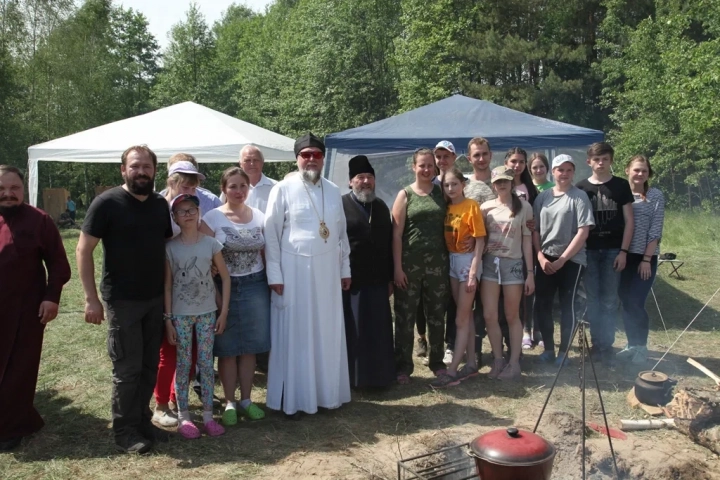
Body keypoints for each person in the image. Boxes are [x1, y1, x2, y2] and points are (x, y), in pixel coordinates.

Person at [77, 145, 173, 454]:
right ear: (123, 170)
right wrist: (91, 299)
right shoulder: (107, 203)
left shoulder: (160, 204)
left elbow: (170, 247)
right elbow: (83, 249)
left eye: (146, 166)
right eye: (135, 166)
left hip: (155, 298)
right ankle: (125, 431)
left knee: (148, 366)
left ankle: (143, 422)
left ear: (154, 171)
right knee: (127, 370)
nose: (141, 171)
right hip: (122, 301)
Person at [264, 133, 352, 418]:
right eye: (306, 155)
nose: (311, 159)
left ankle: (327, 395)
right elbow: (271, 234)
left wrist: (345, 269)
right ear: (297, 158)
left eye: (316, 154)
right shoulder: (282, 188)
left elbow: (340, 235)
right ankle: (295, 399)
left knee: (326, 331)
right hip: (293, 273)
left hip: (327, 273)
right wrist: (274, 274)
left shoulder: (333, 189)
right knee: (296, 334)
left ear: (323, 158)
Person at [0, 165, 71, 452]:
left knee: (19, 370)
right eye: (2, 189)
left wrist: (51, 297)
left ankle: (12, 426)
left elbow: (58, 265)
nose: (7, 194)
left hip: (25, 311)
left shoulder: (39, 220)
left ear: (23, 189)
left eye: (14, 188)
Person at [154, 154, 222, 427]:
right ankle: (160, 403)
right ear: (172, 182)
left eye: (193, 186)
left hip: (196, 292)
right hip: (166, 287)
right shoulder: (159, 205)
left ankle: (175, 398)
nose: (190, 191)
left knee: (193, 351)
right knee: (169, 350)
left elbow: (211, 240)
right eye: (185, 185)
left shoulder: (193, 206)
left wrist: (209, 262)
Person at [201, 167, 271, 423]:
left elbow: (267, 252)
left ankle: (247, 400)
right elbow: (201, 253)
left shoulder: (260, 216)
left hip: (256, 286)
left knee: (250, 347)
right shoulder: (212, 218)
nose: (238, 191)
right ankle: (230, 402)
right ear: (224, 188)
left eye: (243, 186)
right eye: (233, 186)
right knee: (228, 348)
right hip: (224, 288)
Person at [164, 194, 230, 439]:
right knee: (183, 364)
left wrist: (223, 311)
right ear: (175, 218)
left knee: (205, 364)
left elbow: (224, 277)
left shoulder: (211, 244)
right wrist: (168, 319)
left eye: (192, 209)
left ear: (199, 212)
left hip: (207, 315)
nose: (188, 214)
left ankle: (208, 416)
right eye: (182, 211)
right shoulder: (170, 248)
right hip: (181, 316)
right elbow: (168, 285)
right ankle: (184, 417)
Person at [392, 148, 449, 384]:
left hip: (438, 265)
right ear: (413, 167)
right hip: (409, 266)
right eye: (422, 165)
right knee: (405, 317)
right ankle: (403, 366)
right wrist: (397, 268)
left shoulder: (442, 193)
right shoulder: (405, 195)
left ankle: (437, 362)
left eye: (430, 166)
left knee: (436, 315)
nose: (426, 170)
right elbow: (396, 234)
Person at [576, 142, 634, 367]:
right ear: (589, 161)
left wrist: (624, 251)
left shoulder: (621, 186)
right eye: (597, 159)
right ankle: (595, 344)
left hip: (613, 250)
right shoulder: (580, 188)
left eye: (605, 159)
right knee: (592, 299)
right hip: (589, 250)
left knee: (610, 300)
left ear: (611, 161)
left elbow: (630, 221)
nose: (601, 163)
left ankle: (606, 345)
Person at [533, 155, 595, 365]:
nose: (564, 174)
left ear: (573, 172)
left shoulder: (579, 197)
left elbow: (583, 232)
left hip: (572, 260)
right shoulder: (543, 197)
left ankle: (563, 353)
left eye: (569, 170)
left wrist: (562, 259)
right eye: (560, 170)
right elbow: (534, 230)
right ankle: (548, 349)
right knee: (543, 304)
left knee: (568, 305)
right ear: (553, 172)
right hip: (545, 259)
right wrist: (540, 256)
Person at [342, 155, 396, 388]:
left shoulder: (382, 206)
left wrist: (391, 277)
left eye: (370, 178)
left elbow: (389, 244)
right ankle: (356, 380)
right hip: (352, 282)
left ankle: (381, 377)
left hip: (378, 281)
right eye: (360, 177)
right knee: (356, 331)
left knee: (379, 331)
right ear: (351, 182)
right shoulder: (341, 205)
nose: (366, 182)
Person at [431, 167, 486, 388]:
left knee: (460, 319)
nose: (451, 188)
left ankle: (453, 370)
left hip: (467, 262)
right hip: (452, 261)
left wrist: (473, 272)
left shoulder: (471, 206)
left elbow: (480, 240)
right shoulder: (446, 207)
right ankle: (471, 363)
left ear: (463, 184)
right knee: (467, 315)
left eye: (455, 184)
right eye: (447, 185)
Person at [480, 167, 534, 380]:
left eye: (505, 181)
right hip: (490, 264)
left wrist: (530, 272)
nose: (502, 184)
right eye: (498, 181)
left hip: (512, 264)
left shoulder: (524, 207)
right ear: (493, 184)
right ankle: (498, 360)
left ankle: (514, 362)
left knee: (512, 315)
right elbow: (479, 237)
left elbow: (528, 241)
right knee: (489, 315)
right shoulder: (486, 207)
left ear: (512, 182)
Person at [617, 155, 665, 364]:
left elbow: (656, 230)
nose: (640, 174)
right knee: (625, 302)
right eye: (636, 170)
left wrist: (646, 259)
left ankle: (641, 347)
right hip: (623, 255)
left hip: (645, 257)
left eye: (644, 171)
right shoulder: (620, 192)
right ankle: (631, 344)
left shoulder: (655, 195)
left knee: (636, 301)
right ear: (627, 170)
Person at [219, 145, 278, 213]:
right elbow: (221, 211)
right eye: (247, 160)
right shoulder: (231, 188)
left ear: (262, 162)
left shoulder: (275, 187)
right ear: (240, 163)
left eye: (256, 160)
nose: (252, 163)